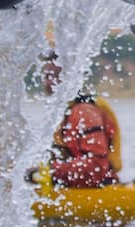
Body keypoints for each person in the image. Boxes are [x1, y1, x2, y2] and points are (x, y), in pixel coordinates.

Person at [35, 51, 123, 188]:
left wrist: (50, 172)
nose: (50, 82)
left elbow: (97, 167)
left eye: (57, 76)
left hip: (98, 191)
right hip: (71, 187)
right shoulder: (63, 113)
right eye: (47, 76)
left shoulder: (85, 113)